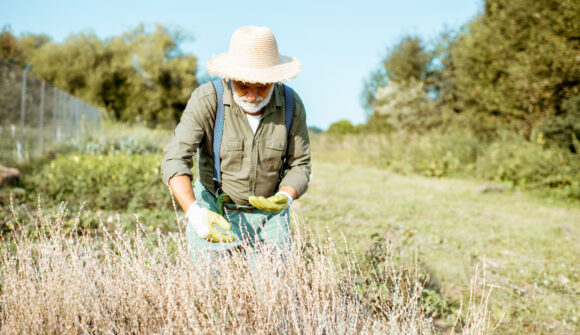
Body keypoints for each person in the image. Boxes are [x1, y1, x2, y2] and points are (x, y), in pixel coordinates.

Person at [161, 26, 311, 259]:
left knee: (277, 292)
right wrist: (194, 213)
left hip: (270, 219)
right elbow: (175, 158)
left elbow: (300, 164)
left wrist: (286, 196)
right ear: (229, 77)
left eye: (262, 86)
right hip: (214, 209)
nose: (252, 96)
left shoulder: (292, 104)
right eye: (243, 85)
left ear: (274, 79)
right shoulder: (207, 100)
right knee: (206, 290)